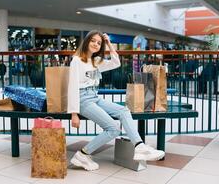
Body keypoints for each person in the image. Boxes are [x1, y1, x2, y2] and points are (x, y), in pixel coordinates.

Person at [67, 30, 165, 171]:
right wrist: (74, 113)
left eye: (99, 43)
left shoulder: (96, 61)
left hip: (94, 97)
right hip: (83, 100)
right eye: (93, 40)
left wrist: (109, 44)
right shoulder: (77, 60)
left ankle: (139, 147)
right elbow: (72, 87)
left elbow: (116, 62)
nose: (95, 44)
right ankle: (83, 154)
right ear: (87, 41)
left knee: (124, 111)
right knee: (113, 128)